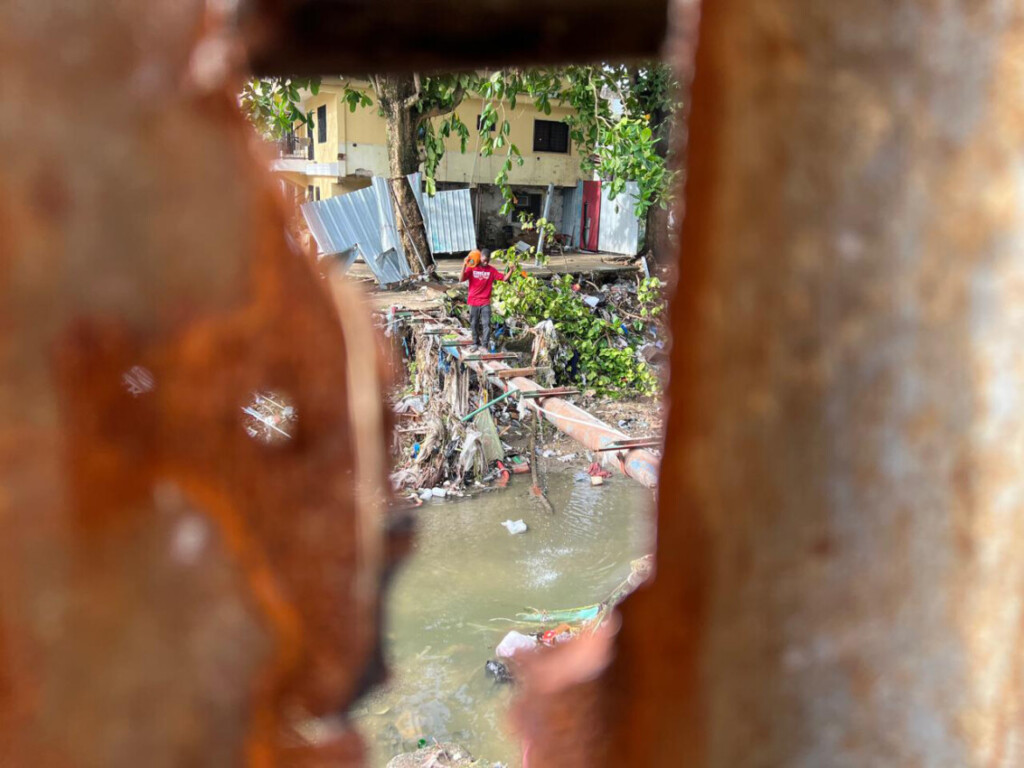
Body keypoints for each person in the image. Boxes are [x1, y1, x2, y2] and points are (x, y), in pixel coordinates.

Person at [461, 248, 511, 349]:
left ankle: (484, 345)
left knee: (486, 324)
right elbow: (461, 279)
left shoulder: (491, 270)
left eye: (487, 260)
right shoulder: (472, 268)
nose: (485, 262)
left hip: (485, 302)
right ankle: (475, 342)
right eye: (484, 260)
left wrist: (511, 270)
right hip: (473, 301)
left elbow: (505, 278)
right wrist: (464, 265)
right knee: (474, 323)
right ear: (480, 258)